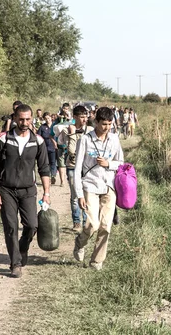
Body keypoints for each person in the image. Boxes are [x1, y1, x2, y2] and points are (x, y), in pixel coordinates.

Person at [0, 104, 51, 278]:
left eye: (27, 119)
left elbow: (44, 169)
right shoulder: (3, 139)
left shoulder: (38, 141)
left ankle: (23, 247)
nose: (24, 122)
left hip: (28, 190)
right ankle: (15, 264)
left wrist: (46, 193)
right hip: (6, 190)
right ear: (14, 118)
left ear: (32, 119)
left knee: (32, 225)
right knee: (11, 227)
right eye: (21, 119)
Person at [73, 107, 124, 270]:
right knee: (92, 224)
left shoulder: (115, 139)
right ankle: (80, 243)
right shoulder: (86, 140)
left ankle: (96, 261)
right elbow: (77, 168)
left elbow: (121, 163)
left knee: (105, 226)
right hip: (90, 185)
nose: (107, 127)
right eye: (104, 124)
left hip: (109, 185)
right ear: (96, 122)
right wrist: (79, 194)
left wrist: (109, 163)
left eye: (109, 124)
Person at [57, 105, 94, 231]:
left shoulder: (90, 130)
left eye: (86, 117)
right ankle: (76, 221)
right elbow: (65, 146)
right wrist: (72, 134)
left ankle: (85, 221)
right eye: (82, 117)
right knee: (75, 195)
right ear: (75, 117)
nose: (84, 120)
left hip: (86, 167)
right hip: (72, 166)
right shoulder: (68, 130)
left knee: (86, 194)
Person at [37, 112, 58, 184]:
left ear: (51, 118)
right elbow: (38, 137)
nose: (47, 120)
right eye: (45, 119)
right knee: (46, 163)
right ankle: (47, 177)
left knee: (53, 162)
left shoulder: (55, 126)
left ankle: (53, 175)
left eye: (48, 118)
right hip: (45, 148)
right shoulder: (42, 127)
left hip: (53, 147)